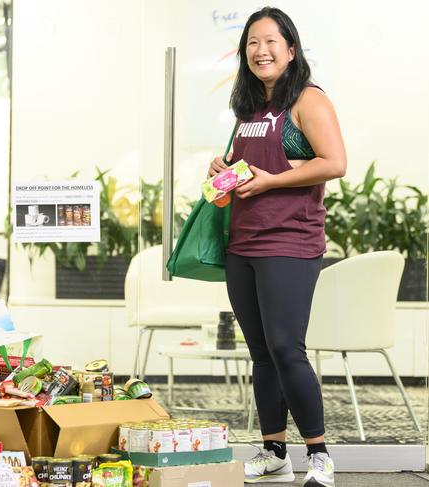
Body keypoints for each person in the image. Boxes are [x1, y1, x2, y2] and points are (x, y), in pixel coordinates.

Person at [207, 7, 346, 486]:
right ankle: (274, 452)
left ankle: (320, 455)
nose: (260, 51)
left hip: (290, 240)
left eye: (270, 42)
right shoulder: (248, 108)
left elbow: (335, 162)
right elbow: (246, 170)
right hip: (242, 240)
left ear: (291, 48)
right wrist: (221, 169)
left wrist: (273, 181)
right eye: (252, 43)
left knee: (287, 347)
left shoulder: (308, 100)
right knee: (262, 353)